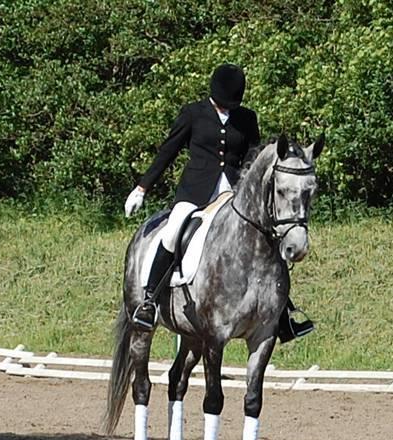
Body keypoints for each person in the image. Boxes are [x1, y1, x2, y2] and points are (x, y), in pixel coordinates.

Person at [124, 63, 313, 342]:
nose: (228, 109)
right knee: (173, 232)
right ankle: (149, 301)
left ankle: (283, 315)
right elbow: (168, 151)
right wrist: (141, 188)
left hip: (233, 194)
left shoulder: (246, 118)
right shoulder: (193, 114)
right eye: (225, 104)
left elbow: (253, 160)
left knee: (267, 243)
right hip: (195, 193)